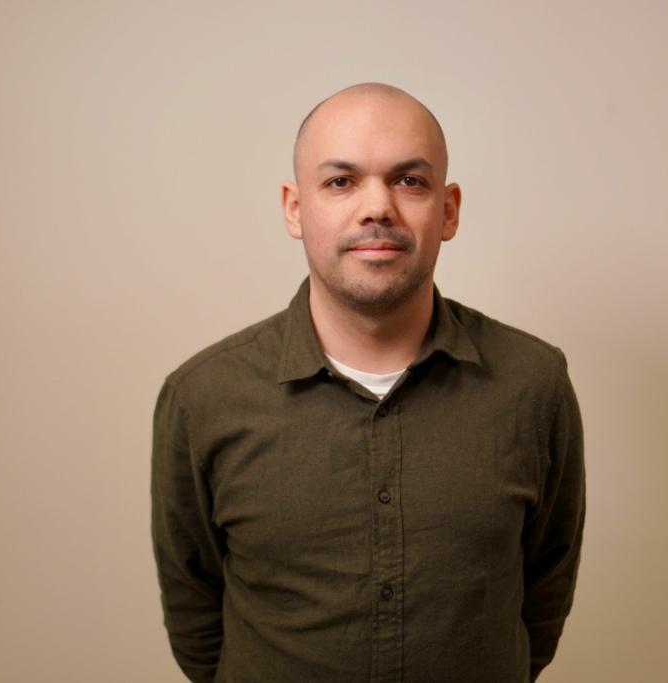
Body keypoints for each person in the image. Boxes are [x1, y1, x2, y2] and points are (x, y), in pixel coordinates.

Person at [151, 83, 585, 683]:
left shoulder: (533, 383)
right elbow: (195, 611)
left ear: (449, 210)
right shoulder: (203, 397)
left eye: (409, 180)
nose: (377, 207)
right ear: (295, 208)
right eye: (340, 181)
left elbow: (545, 588)